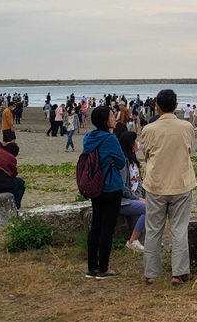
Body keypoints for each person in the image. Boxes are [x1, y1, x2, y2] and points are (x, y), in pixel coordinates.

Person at [140, 89, 197, 285]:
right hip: (181, 182)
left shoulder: (149, 129)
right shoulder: (186, 127)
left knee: (153, 228)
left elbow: (146, 154)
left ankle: (151, 272)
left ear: (157, 106)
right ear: (176, 105)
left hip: (156, 183)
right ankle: (179, 272)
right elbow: (189, 149)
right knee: (179, 229)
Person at [82, 105, 126, 279]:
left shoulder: (89, 137)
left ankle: (92, 268)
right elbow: (121, 162)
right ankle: (104, 268)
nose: (114, 118)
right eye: (112, 116)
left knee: (96, 227)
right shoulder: (110, 139)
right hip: (111, 186)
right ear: (104, 120)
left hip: (95, 186)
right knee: (107, 228)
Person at [117, 130, 147, 253]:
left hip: (133, 198)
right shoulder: (123, 162)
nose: (137, 143)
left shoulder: (133, 161)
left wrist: (139, 196)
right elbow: (122, 187)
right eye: (135, 140)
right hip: (123, 201)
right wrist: (136, 198)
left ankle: (150, 238)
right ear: (130, 144)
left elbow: (138, 183)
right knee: (150, 208)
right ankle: (132, 241)